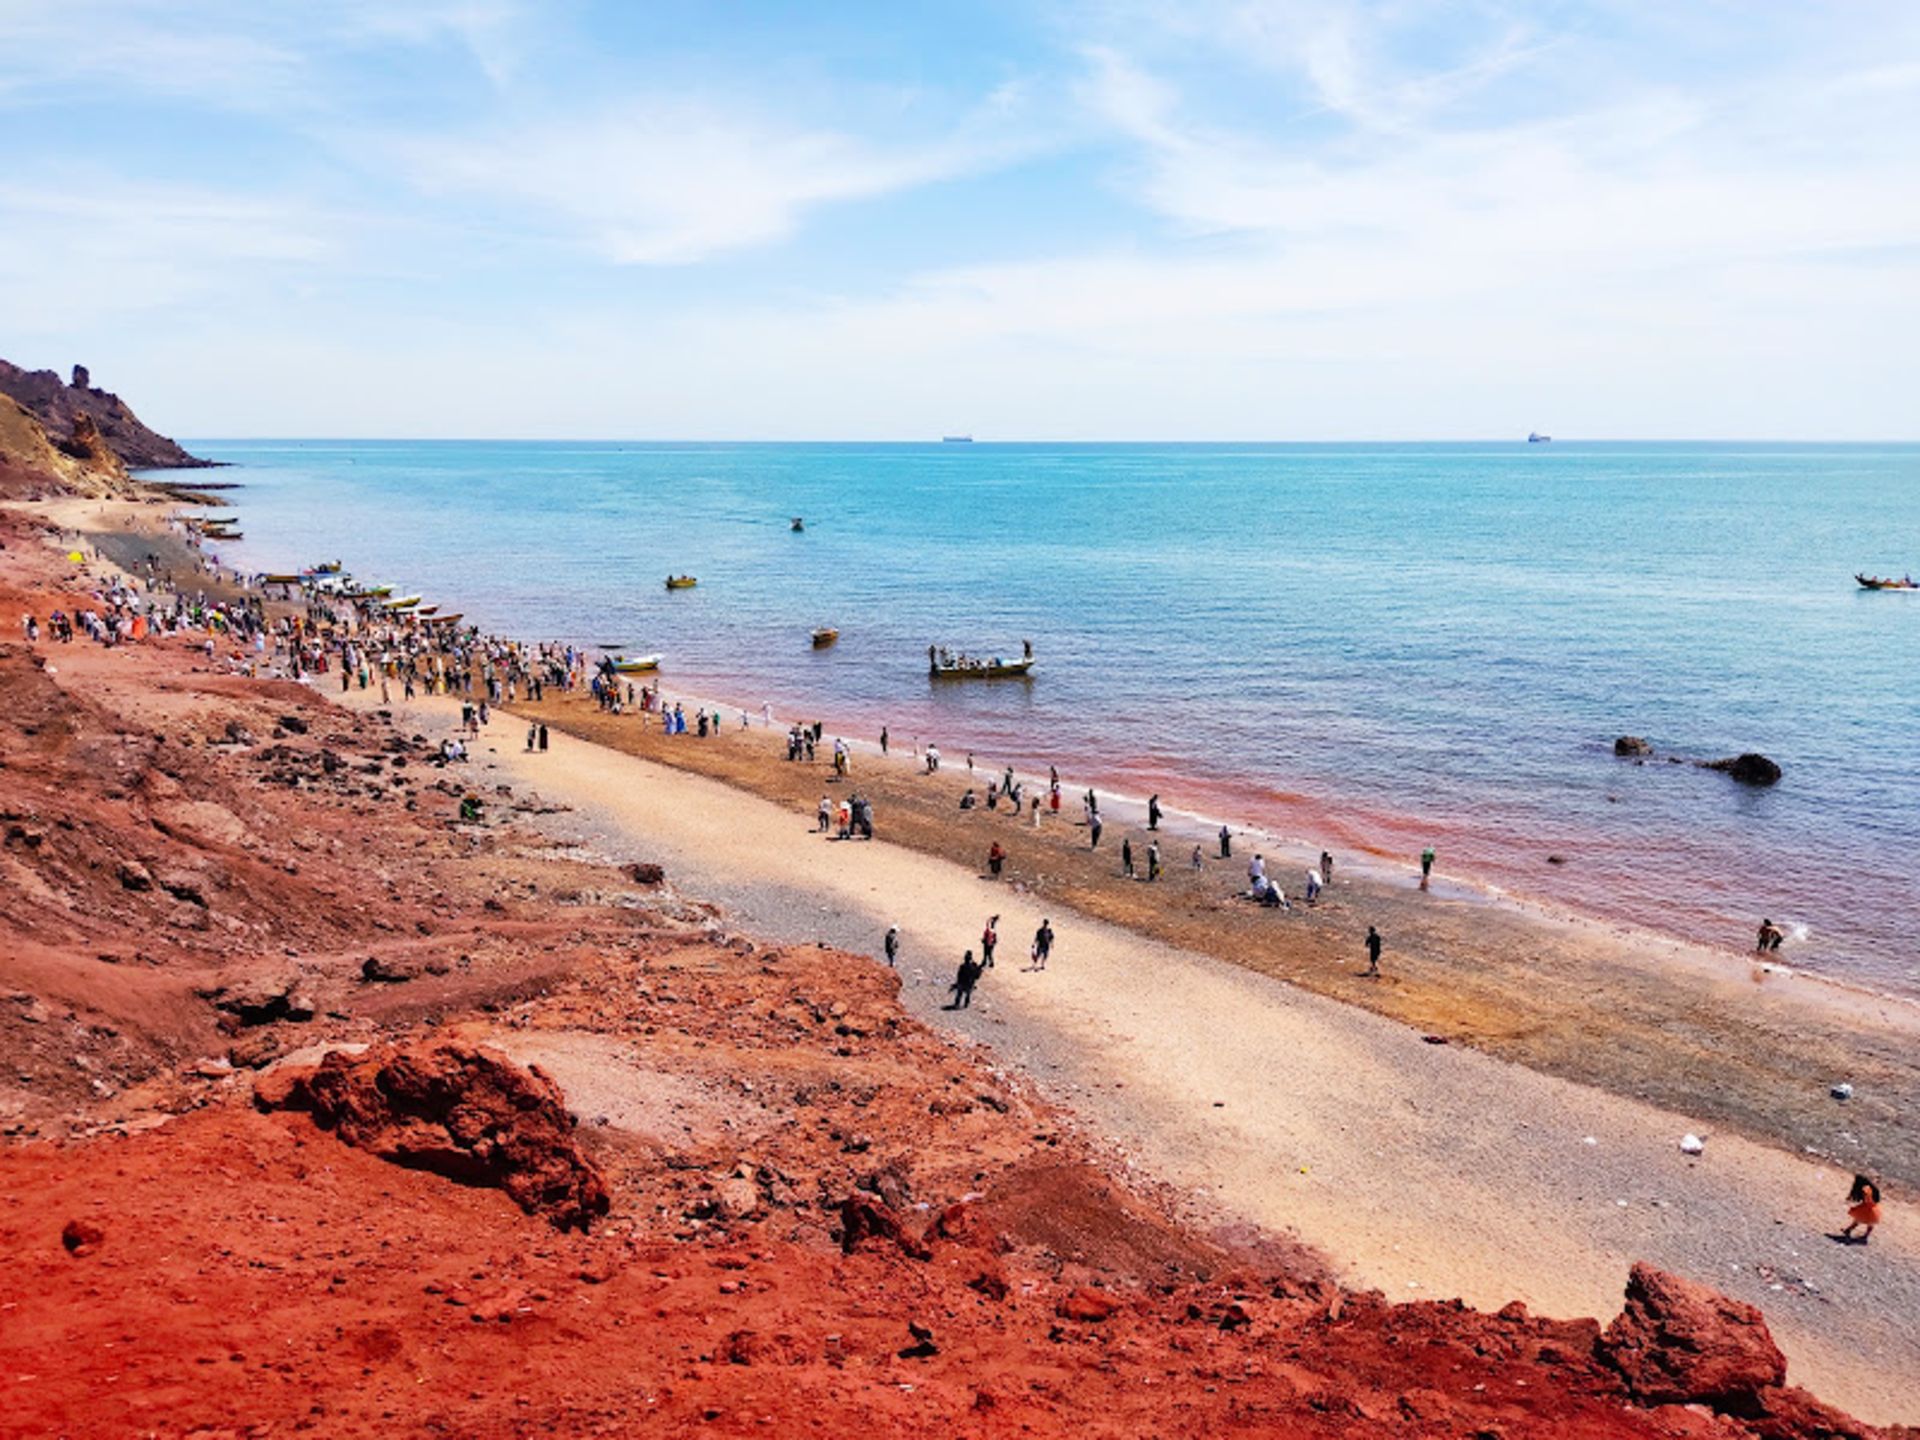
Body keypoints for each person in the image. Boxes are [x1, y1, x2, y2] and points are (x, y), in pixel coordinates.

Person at [1841, 1174, 1882, 1244]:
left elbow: (1866, 1198)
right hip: (1874, 1209)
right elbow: (1876, 1200)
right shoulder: (1872, 1189)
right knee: (1870, 1224)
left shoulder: (1866, 1189)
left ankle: (1848, 1230)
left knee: (1857, 1220)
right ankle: (1864, 1236)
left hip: (1866, 1208)